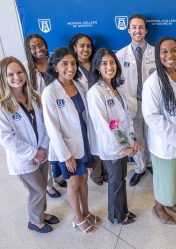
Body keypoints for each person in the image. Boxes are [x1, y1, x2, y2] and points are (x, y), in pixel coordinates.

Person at [42, 47, 101, 234]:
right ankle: (77, 218)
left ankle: (86, 211)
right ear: (55, 67)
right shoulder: (50, 92)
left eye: (73, 63)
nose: (70, 67)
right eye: (64, 64)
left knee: (84, 179)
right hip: (67, 147)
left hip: (83, 141)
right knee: (74, 183)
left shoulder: (79, 85)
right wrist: (66, 156)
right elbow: (52, 128)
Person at [0, 56, 59, 233]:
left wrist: (42, 148)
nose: (16, 77)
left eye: (19, 72)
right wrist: (33, 153)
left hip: (42, 152)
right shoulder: (3, 106)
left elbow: (45, 125)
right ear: (3, 78)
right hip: (24, 158)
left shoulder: (35, 97)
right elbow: (6, 138)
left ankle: (41, 213)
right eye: (10, 74)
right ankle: (34, 221)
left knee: (42, 186)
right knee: (38, 191)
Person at [142, 37, 176, 225]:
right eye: (164, 51)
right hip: (165, 142)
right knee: (165, 178)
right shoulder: (153, 82)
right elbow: (152, 117)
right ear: (158, 55)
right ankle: (159, 207)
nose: (170, 55)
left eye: (173, 50)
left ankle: (170, 201)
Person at [87, 48, 140, 225]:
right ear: (97, 68)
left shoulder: (116, 87)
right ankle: (116, 216)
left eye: (111, 62)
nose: (109, 67)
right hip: (112, 147)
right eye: (104, 64)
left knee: (120, 179)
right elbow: (103, 126)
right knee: (115, 181)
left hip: (124, 143)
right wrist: (123, 146)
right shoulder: (96, 92)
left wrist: (132, 139)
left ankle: (123, 210)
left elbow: (126, 117)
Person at [24, 34, 66, 197]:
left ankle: (60, 176)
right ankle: (48, 184)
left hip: (58, 110)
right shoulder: (27, 68)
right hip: (39, 114)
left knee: (59, 144)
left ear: (46, 45)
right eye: (33, 47)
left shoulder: (54, 62)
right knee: (45, 149)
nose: (38, 49)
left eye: (40, 45)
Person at [116, 14, 155, 186]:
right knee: (136, 137)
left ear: (146, 30)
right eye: (134, 27)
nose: (137, 30)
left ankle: (152, 164)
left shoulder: (156, 52)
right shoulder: (120, 55)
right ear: (129, 30)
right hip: (132, 103)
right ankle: (140, 167)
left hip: (152, 103)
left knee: (153, 136)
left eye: (141, 27)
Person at [68, 33, 108, 186]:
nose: (86, 49)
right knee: (92, 144)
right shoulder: (72, 68)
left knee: (104, 140)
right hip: (84, 113)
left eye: (88, 46)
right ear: (74, 48)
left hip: (102, 109)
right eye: (82, 46)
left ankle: (106, 171)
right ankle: (97, 174)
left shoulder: (97, 64)